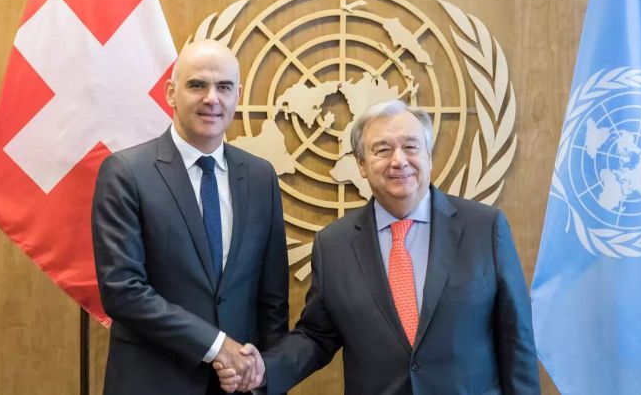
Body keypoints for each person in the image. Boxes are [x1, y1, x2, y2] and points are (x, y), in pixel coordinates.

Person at [217, 100, 539, 394]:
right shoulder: (334, 246)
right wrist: (263, 369)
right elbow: (317, 336)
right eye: (382, 150)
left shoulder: (485, 227)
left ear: (428, 155)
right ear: (361, 164)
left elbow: (516, 340)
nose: (399, 161)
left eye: (411, 147)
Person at [92, 39, 288, 395]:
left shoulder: (261, 176)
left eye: (224, 87)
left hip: (239, 388)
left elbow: (272, 299)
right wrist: (217, 346)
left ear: (238, 95)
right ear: (171, 92)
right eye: (197, 85)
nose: (212, 98)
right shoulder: (126, 173)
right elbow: (123, 291)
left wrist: (264, 377)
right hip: (154, 383)